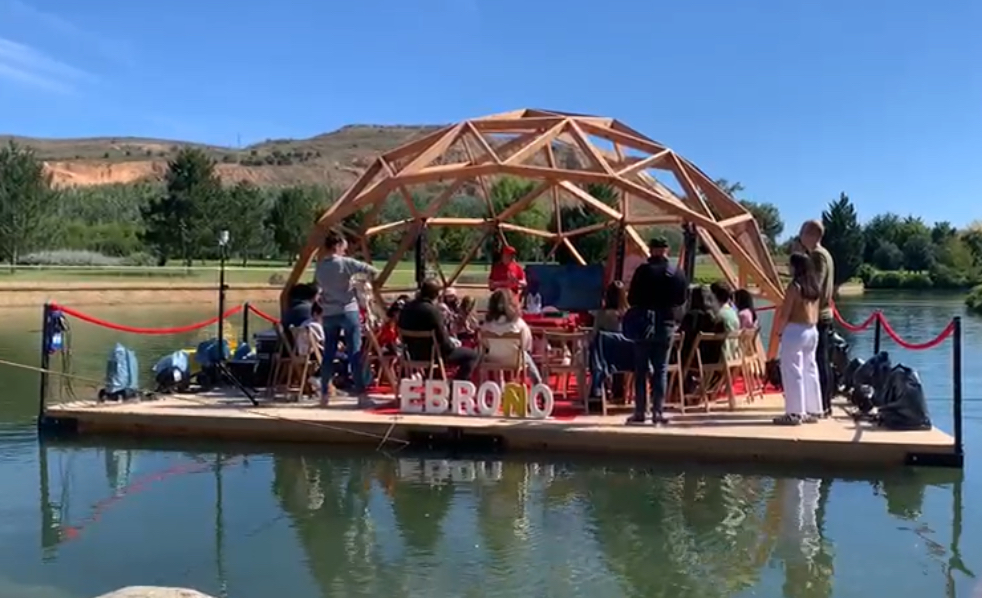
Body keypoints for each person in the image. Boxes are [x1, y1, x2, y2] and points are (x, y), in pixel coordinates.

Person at [624, 235, 689, 425]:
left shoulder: (643, 272)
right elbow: (681, 299)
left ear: (651, 250)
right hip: (666, 323)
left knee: (641, 370)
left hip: (643, 324)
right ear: (667, 250)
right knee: (660, 370)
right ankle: (658, 412)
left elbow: (632, 299)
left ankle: (639, 412)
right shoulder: (676, 272)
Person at [315, 228, 379, 405]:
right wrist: (357, 282)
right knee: (354, 352)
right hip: (348, 310)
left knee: (328, 353)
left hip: (329, 313)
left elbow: (319, 288)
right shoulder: (346, 263)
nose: (345, 248)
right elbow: (373, 271)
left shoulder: (320, 266)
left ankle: (324, 394)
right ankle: (361, 394)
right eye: (343, 245)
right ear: (337, 245)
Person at [773, 252, 823, 425]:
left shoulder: (794, 287)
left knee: (792, 370)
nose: (789, 268)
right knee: (810, 369)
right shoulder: (814, 287)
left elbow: (785, 313)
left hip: (795, 329)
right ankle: (814, 409)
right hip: (812, 329)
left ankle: (794, 412)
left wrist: (779, 331)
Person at [398, 278, 480, 380]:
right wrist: (452, 345)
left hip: (410, 354)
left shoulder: (406, 309)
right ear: (435, 295)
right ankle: (454, 387)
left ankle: (432, 381)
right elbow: (443, 339)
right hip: (433, 355)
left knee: (433, 348)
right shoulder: (432, 311)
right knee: (472, 355)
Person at [798, 219, 835, 416]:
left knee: (819, 361)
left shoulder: (818, 256)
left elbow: (816, 286)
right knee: (821, 359)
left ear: (812, 235)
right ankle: (823, 402)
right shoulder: (824, 254)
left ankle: (823, 403)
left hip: (818, 314)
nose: (800, 236)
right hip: (823, 313)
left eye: (803, 232)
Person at [480, 289, 543, 384]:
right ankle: (538, 384)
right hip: (514, 359)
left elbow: (485, 344)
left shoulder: (487, 325)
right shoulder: (518, 323)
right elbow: (526, 344)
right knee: (527, 357)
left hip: (493, 359)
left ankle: (499, 384)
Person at [709, 280, 739, 359]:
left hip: (721, 357)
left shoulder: (719, 316)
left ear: (714, 296)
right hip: (734, 355)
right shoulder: (733, 313)